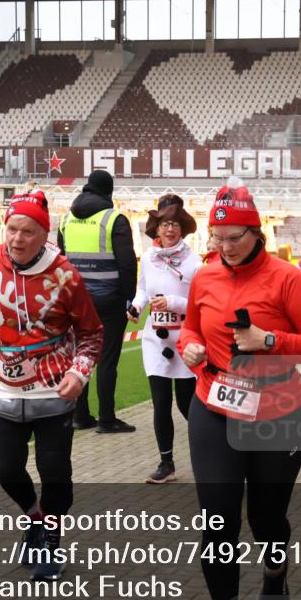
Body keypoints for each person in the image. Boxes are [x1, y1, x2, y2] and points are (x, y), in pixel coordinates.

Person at [177, 179, 301, 600]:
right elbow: (190, 329)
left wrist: (269, 340)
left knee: (266, 520)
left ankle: (275, 570)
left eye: (234, 238)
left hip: (278, 415)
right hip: (214, 407)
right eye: (217, 238)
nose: (225, 248)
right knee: (218, 519)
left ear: (256, 233)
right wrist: (189, 347)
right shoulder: (205, 276)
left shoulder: (286, 278)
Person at [0, 189, 103, 582]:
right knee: (5, 470)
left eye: (27, 231)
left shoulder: (65, 276)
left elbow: (91, 332)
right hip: (5, 391)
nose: (17, 238)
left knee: (54, 472)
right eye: (12, 229)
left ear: (44, 234)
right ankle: (35, 518)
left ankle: (50, 542)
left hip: (53, 393)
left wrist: (79, 373)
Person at [58, 169, 138, 433]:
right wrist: (128, 298)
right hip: (109, 300)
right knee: (107, 361)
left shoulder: (66, 219)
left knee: (80, 356)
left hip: (76, 300)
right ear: (109, 191)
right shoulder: (114, 219)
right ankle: (107, 418)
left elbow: (61, 261)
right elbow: (127, 264)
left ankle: (80, 416)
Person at [130, 194, 201, 484]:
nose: (169, 229)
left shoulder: (194, 262)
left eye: (174, 224)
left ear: (182, 228)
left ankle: (212, 454)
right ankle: (166, 463)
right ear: (156, 228)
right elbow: (142, 291)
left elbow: (198, 303)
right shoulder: (148, 258)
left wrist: (172, 302)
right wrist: (136, 307)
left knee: (186, 405)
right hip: (155, 341)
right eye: (164, 224)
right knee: (160, 403)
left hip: (184, 340)